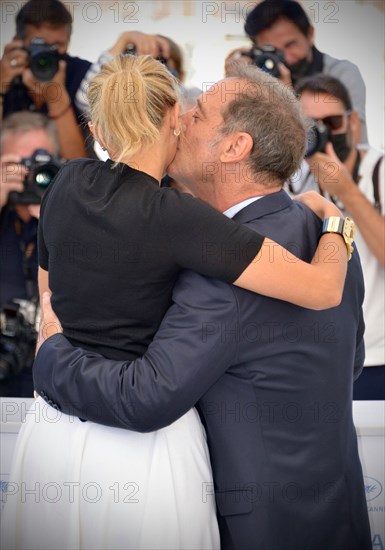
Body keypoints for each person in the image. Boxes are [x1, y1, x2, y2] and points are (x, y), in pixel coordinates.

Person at [1, 56, 350, 550]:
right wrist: (336, 222)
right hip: (143, 454)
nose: (188, 119)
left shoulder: (68, 182)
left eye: (199, 113)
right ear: (168, 120)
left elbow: (49, 289)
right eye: (186, 113)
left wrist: (52, 346)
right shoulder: (187, 219)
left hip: (50, 438)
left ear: (100, 127)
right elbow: (325, 296)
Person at [292, 73, 384, 400]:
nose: (322, 133)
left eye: (332, 121)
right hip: (316, 365)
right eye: (309, 125)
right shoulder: (290, 183)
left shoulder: (379, 170)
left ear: (353, 122)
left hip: (376, 361)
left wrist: (347, 192)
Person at [225, 0, 367, 144]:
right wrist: (236, 84)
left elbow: (351, 144)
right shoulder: (258, 77)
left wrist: (287, 101)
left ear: (310, 34)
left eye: (291, 45)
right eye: (274, 51)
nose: (285, 57)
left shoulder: (342, 73)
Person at [0, 111, 61, 396]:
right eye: (19, 164)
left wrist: (52, 218)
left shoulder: (69, 217)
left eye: (40, 162)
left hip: (45, 385)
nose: (30, 174)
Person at [0, 0, 90, 159]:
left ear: (68, 42)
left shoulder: (82, 75)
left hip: (68, 180)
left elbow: (79, 167)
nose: (47, 55)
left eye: (56, 46)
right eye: (40, 45)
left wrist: (57, 96)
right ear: (17, 42)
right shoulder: (7, 72)